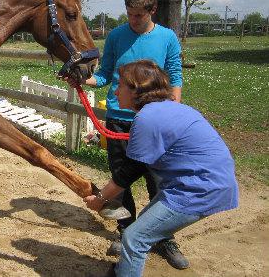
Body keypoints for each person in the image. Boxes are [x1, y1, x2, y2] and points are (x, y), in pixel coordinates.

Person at [66, 0, 185, 268]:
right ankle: (125, 229)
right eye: (129, 14)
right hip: (119, 119)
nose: (132, 21)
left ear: (151, 10)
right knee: (121, 180)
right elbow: (105, 74)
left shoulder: (167, 38)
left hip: (154, 121)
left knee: (158, 181)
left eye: (138, 16)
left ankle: (163, 236)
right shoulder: (117, 36)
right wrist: (83, 80)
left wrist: (173, 112)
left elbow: (175, 77)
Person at [83, 60, 239, 277]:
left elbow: (130, 170)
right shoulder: (168, 109)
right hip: (209, 181)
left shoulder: (148, 118)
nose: (116, 92)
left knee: (134, 238)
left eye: (120, 86)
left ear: (136, 89)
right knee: (146, 223)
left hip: (199, 189)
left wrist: (100, 198)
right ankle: (122, 270)